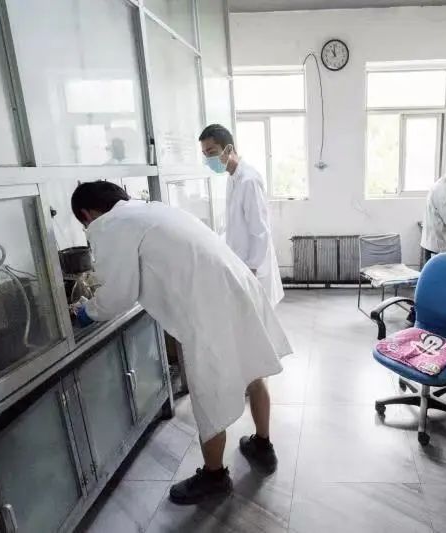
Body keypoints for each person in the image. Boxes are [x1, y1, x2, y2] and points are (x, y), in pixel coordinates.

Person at [69, 181, 292, 505]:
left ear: (87, 214)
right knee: (254, 367)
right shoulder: (152, 209)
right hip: (239, 286)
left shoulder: (109, 225)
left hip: (210, 308)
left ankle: (214, 477)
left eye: (84, 223)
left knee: (208, 393)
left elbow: (117, 294)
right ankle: (262, 444)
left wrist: (86, 312)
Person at [199, 124, 284, 306]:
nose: (209, 159)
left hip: (253, 270)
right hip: (241, 265)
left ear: (228, 149)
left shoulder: (248, 180)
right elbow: (235, 225)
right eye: (205, 154)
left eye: (212, 152)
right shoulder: (232, 179)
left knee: (260, 316)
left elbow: (260, 231)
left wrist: (252, 268)